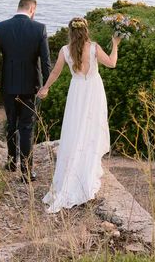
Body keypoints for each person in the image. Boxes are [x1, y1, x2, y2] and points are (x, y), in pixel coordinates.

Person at [38, 17, 121, 212]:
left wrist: (46, 88)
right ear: (86, 30)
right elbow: (112, 63)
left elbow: (55, 73)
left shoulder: (65, 51)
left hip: (76, 92)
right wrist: (115, 45)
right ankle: (86, 171)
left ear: (70, 32)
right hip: (93, 91)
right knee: (91, 128)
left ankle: (72, 172)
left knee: (75, 130)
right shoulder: (93, 47)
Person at [0, 0, 51, 183]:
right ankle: (26, 172)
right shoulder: (39, 28)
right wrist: (46, 85)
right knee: (27, 127)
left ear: (19, 7)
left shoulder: (2, 27)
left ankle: (11, 162)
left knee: (11, 122)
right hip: (31, 87)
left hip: (8, 85)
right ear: (32, 9)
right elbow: (45, 62)